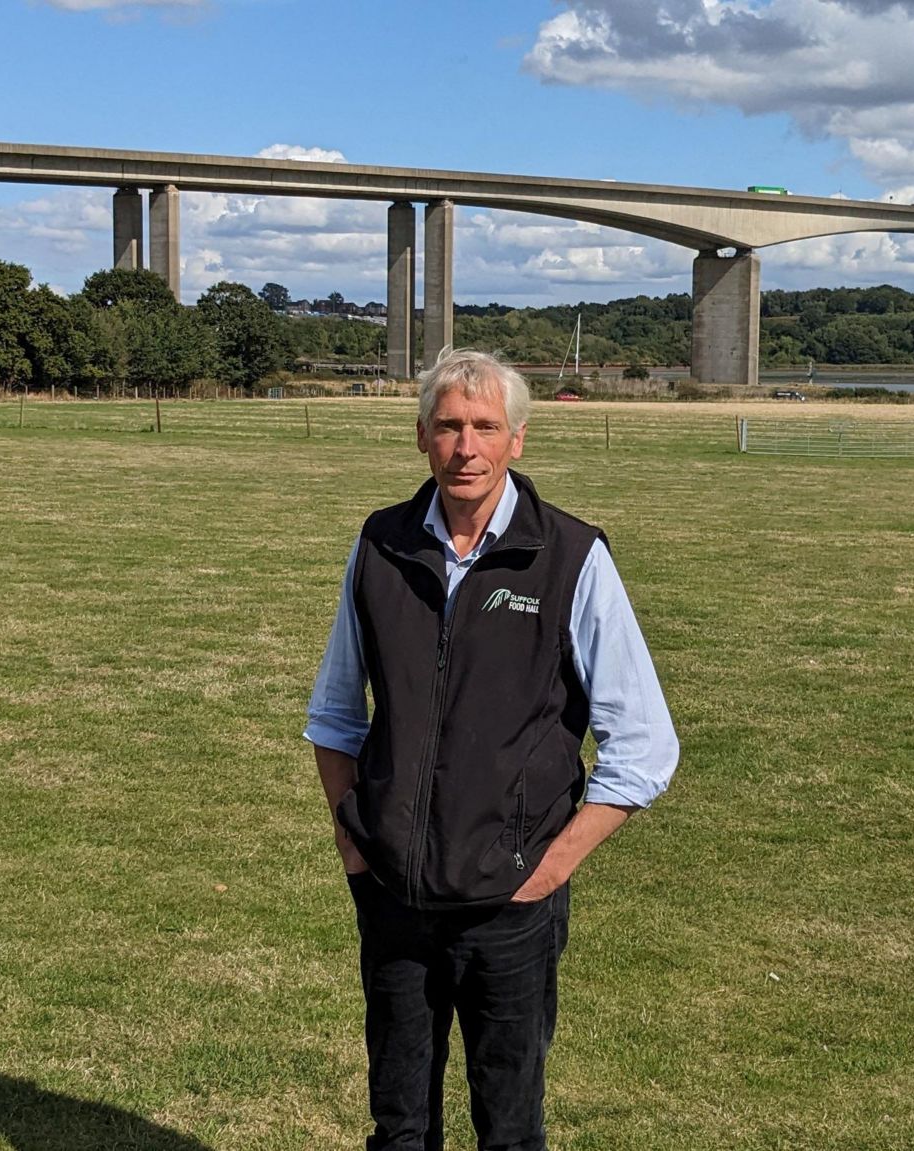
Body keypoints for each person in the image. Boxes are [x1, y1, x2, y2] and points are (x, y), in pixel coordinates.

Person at [305, 348, 680, 1150]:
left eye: (484, 427)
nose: (465, 446)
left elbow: (644, 746)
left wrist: (546, 868)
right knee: (399, 1125)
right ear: (420, 437)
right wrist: (354, 842)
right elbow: (335, 715)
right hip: (396, 900)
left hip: (510, 909)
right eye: (448, 426)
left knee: (509, 1130)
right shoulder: (380, 547)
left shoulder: (572, 557)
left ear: (517, 439)